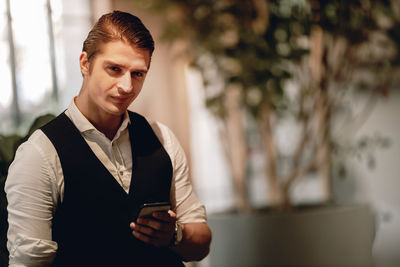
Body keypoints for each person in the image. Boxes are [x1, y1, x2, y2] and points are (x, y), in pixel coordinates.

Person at [5, 10, 211, 267]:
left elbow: (201, 242)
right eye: (115, 69)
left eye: (138, 74)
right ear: (84, 63)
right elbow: (29, 262)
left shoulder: (162, 138)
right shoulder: (39, 154)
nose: (126, 86)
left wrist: (175, 235)